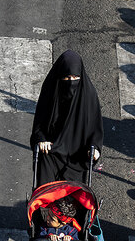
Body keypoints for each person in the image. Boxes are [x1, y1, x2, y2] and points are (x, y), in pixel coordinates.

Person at [30, 50, 103, 187]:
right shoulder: (51, 92)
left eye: (75, 78)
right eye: (67, 78)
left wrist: (95, 149)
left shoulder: (88, 95)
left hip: (76, 156)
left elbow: (95, 128)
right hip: (51, 152)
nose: (71, 83)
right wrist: (41, 140)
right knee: (45, 195)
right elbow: (39, 124)